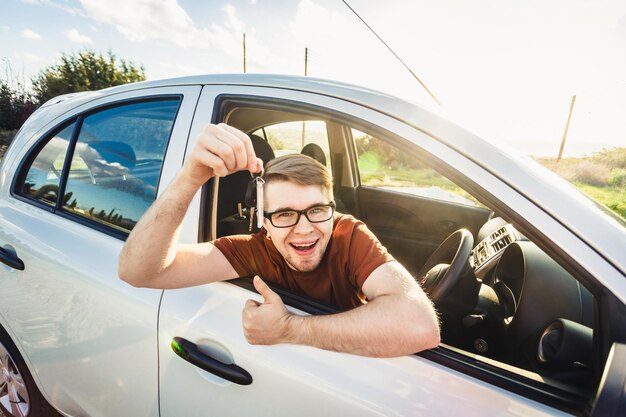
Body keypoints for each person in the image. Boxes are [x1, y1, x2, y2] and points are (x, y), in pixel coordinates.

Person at [119, 123, 440, 358]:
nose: (304, 229)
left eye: (316, 210)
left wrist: (289, 329)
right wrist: (190, 177)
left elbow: (420, 325)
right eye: (284, 214)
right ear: (264, 222)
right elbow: (139, 271)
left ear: (333, 209)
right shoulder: (253, 250)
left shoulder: (348, 234)